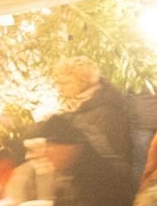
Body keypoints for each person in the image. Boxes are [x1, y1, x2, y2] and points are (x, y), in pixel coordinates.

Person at [54, 57, 135, 190]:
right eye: (58, 83)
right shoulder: (77, 107)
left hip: (104, 185)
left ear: (83, 81)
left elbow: (107, 155)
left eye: (65, 83)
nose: (60, 88)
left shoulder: (107, 111)